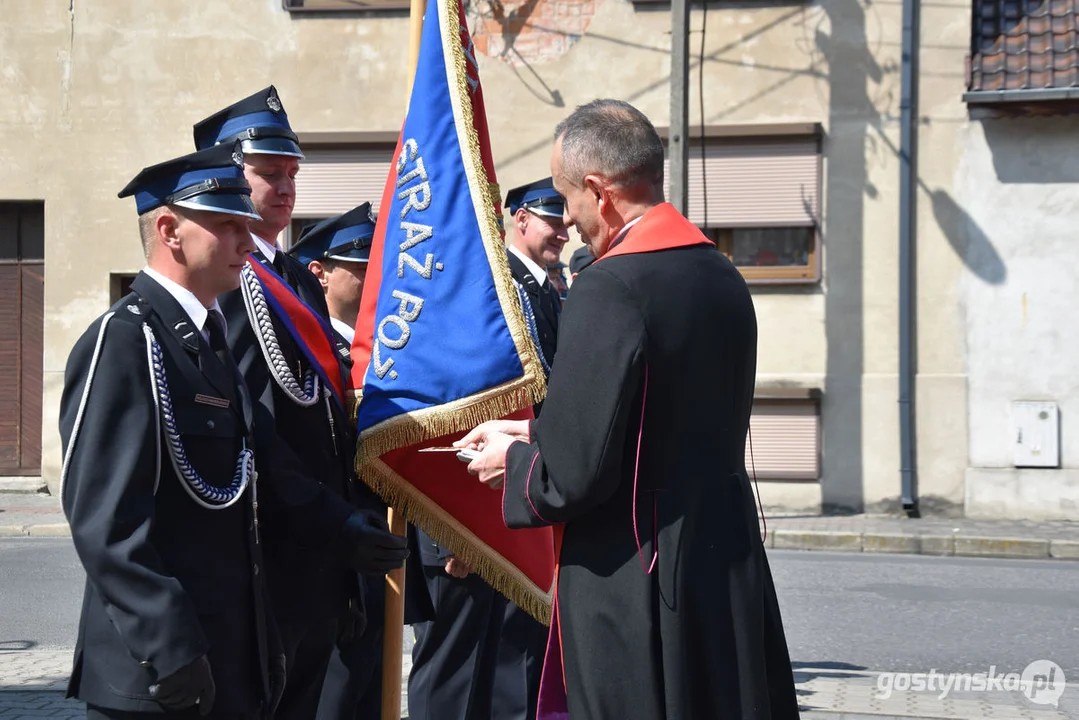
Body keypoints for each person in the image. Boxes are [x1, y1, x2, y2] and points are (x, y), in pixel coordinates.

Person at [458, 99, 801, 720]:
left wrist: (515, 457)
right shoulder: (720, 272)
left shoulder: (611, 285)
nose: (568, 217)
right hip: (719, 552)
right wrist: (535, 427)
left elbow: (575, 473)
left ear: (598, 190)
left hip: (638, 570)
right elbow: (662, 410)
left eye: (567, 197)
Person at [194, 87, 408, 720]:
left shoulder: (286, 276)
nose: (285, 188)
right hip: (277, 555)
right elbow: (250, 426)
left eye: (292, 173)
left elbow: (321, 410)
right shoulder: (232, 281)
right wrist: (332, 523)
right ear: (227, 175)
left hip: (322, 555)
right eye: (268, 174)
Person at [58, 143, 284, 719]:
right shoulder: (127, 340)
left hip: (226, 656)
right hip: (160, 676)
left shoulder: (206, 341)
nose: (245, 240)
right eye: (228, 225)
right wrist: (170, 647)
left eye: (247, 224)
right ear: (170, 230)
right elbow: (106, 522)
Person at [287, 204, 388, 720]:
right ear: (319, 272)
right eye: (361, 267)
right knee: (333, 701)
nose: (374, 278)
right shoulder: (309, 351)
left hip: (377, 551)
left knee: (368, 696)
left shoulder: (384, 354)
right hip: (331, 551)